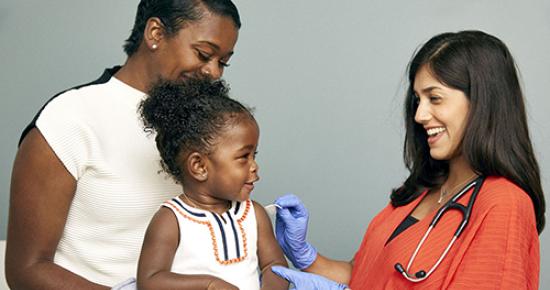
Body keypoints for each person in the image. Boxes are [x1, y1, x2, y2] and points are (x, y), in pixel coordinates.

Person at [271, 30, 546, 289]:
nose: (419, 115)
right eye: (418, 99)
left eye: (435, 98)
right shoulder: (417, 193)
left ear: (482, 102)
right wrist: (308, 258)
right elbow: (368, 276)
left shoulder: (504, 204)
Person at [6, 0, 240, 289]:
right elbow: (26, 270)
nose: (214, 73)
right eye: (204, 54)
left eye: (223, 62)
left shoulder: (207, 127)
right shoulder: (70, 118)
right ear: (155, 33)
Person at [136, 79, 289, 290]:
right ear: (199, 166)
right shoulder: (172, 220)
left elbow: (275, 264)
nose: (254, 166)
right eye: (244, 157)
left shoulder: (254, 214)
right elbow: (149, 281)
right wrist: (208, 284)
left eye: (255, 155)